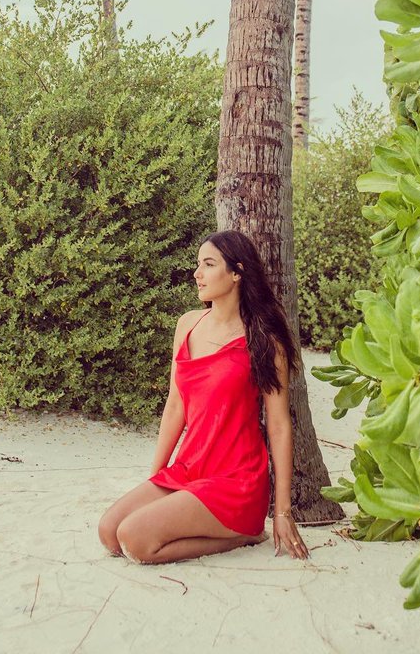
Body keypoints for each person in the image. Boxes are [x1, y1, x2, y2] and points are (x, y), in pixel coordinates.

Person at [98, 229, 310, 564]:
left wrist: (282, 512)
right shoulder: (188, 324)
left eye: (208, 265)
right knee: (109, 532)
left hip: (235, 479)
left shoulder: (264, 341)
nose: (197, 274)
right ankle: (213, 523)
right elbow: (174, 406)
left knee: (135, 540)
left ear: (236, 273)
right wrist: (157, 475)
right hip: (190, 467)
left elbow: (280, 426)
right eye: (198, 264)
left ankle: (245, 534)